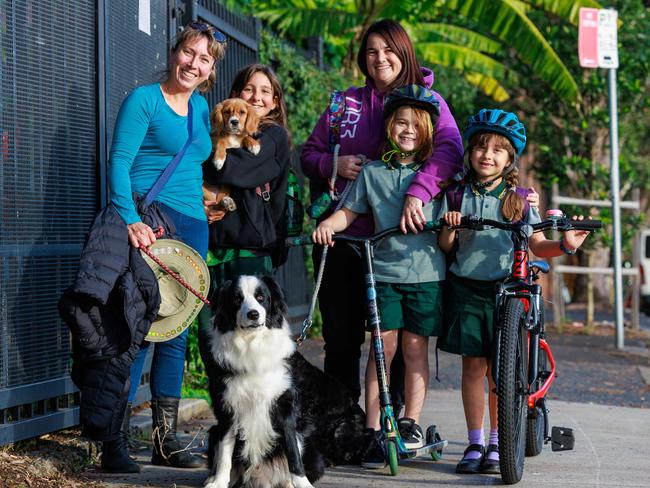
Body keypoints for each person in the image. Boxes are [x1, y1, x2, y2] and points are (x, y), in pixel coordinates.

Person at [301, 18, 464, 409]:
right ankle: (346, 424)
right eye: (372, 51)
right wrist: (333, 165)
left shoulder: (429, 102)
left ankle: (394, 425)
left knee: (399, 341)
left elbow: (450, 153)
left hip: (401, 245)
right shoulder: (346, 104)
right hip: (345, 238)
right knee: (341, 339)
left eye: (388, 49)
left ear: (404, 52)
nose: (380, 58)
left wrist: (418, 193)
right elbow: (308, 155)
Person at [437, 109, 592, 475]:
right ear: (470, 152)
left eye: (497, 150)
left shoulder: (520, 199)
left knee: (499, 372)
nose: (487, 155)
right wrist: (450, 227)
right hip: (467, 288)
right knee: (473, 367)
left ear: (509, 160)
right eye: (480, 147)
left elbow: (538, 245)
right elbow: (445, 246)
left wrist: (566, 246)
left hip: (507, 292)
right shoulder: (456, 194)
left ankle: (497, 441)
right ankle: (475, 441)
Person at [104, 21, 226, 472]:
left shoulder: (200, 108)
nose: (193, 64)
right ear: (175, 51)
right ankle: (112, 442)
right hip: (150, 225)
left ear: (211, 68)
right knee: (135, 329)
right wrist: (130, 220)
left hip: (192, 227)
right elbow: (119, 163)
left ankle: (165, 440)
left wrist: (208, 205)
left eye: (204, 59)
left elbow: (192, 169)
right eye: (189, 53)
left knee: (175, 332)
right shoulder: (145, 100)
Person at [313, 85, 446, 468]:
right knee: (381, 350)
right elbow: (348, 213)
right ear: (388, 127)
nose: (407, 130)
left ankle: (410, 423)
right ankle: (373, 429)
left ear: (426, 133)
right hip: (383, 273)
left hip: (424, 275)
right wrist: (328, 225)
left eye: (415, 125)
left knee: (415, 349)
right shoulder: (372, 173)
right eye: (400, 123)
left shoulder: (433, 176)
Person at [197, 64, 291, 368]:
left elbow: (239, 170)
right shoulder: (219, 131)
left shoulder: (273, 137)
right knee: (212, 338)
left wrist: (206, 158)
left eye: (265, 91)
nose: (256, 97)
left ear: (275, 101)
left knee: (252, 345)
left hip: (250, 252)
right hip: (214, 248)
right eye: (249, 89)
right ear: (236, 94)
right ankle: (224, 412)